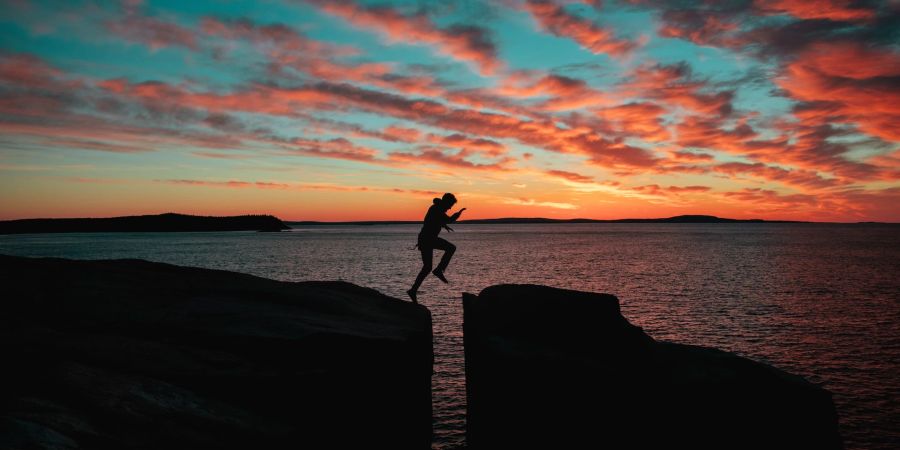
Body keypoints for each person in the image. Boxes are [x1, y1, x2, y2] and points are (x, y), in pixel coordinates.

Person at [407, 193, 465, 303]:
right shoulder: (437, 208)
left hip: (426, 239)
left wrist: (444, 225)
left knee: (427, 267)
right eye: (450, 205)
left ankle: (413, 290)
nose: (450, 207)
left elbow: (436, 220)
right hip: (427, 239)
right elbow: (448, 219)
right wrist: (458, 214)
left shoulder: (437, 209)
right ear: (446, 202)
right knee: (451, 248)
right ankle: (438, 270)